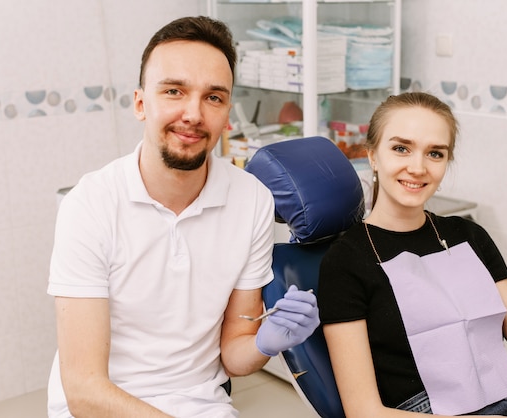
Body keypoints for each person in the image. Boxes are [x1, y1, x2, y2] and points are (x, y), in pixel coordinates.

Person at [46, 16, 319, 418]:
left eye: (213, 97)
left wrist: (267, 342)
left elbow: (233, 357)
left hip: (201, 402)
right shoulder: (91, 204)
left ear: (227, 114)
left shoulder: (251, 201)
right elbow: (84, 390)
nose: (193, 113)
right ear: (141, 103)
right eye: (174, 91)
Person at [318, 92, 507, 418]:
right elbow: (364, 412)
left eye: (435, 153)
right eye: (401, 148)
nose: (417, 167)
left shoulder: (468, 235)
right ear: (372, 156)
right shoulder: (346, 261)